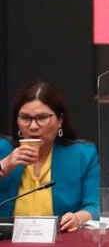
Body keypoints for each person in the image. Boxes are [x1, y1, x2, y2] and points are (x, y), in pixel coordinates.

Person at [0, 81, 100, 232]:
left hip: (60, 240)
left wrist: (78, 218)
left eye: (42, 117)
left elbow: (95, 206)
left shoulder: (83, 155)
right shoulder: (3, 149)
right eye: (25, 118)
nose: (33, 126)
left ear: (60, 121)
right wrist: (4, 165)